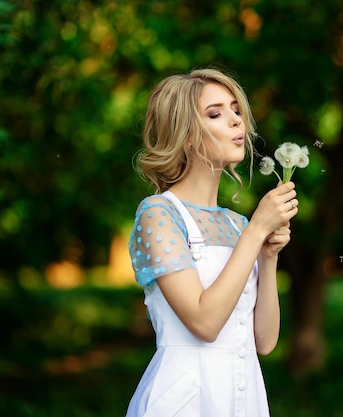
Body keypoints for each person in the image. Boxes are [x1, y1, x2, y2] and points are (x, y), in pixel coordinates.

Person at [125, 68, 299, 417]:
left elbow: (264, 342)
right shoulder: (158, 214)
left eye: (236, 110)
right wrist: (255, 234)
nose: (237, 121)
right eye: (216, 113)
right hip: (184, 401)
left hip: (244, 401)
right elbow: (204, 323)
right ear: (187, 136)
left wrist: (268, 257)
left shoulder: (237, 224)